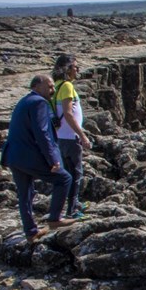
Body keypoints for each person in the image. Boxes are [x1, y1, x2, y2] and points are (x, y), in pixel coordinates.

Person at [0, 75, 76, 243]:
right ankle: (55, 218)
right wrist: (53, 159)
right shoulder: (39, 103)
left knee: (25, 193)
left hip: (13, 156)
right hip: (28, 156)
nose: (53, 90)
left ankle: (31, 231)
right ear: (37, 86)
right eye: (49, 86)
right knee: (64, 178)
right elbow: (42, 133)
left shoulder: (24, 101)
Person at [51, 54, 92, 219]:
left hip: (60, 136)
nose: (78, 70)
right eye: (75, 67)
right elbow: (68, 114)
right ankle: (72, 209)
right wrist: (82, 136)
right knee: (75, 173)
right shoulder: (67, 86)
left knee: (67, 173)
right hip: (70, 137)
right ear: (67, 69)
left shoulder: (57, 86)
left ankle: (69, 206)